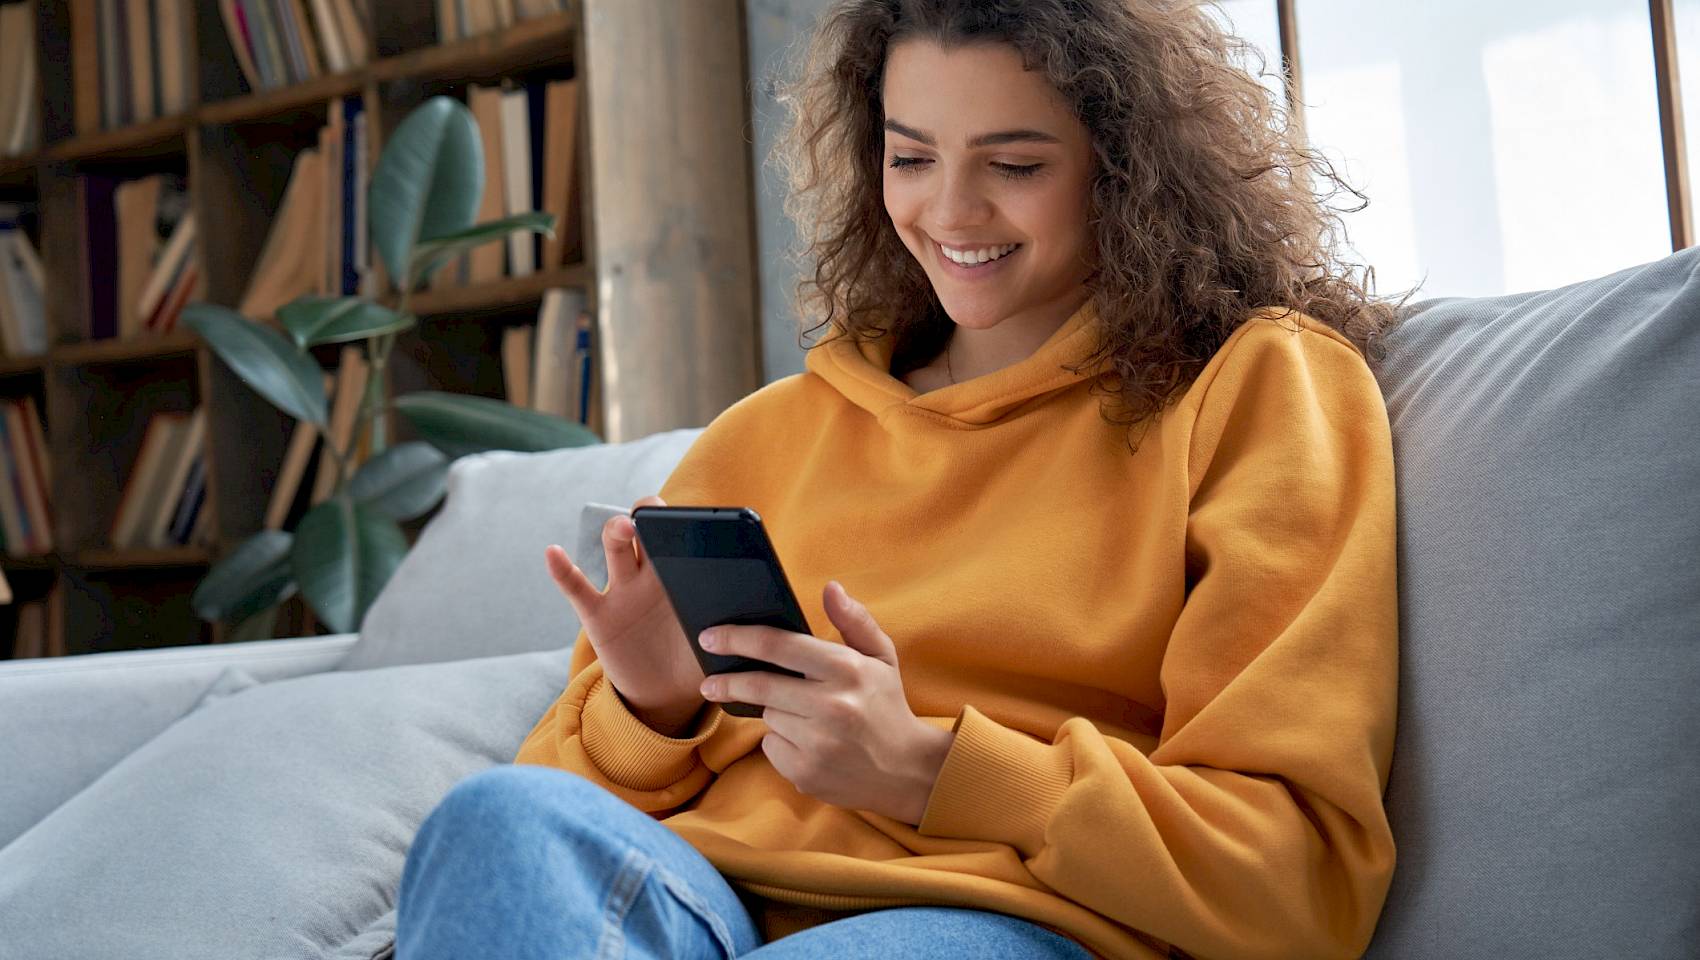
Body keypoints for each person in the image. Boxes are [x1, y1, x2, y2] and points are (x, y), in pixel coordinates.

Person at [395, 1, 1410, 957]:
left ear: (1125, 168)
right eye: (910, 157)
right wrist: (652, 708)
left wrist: (930, 769)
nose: (950, 210)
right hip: (699, 897)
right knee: (496, 819)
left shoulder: (1255, 386)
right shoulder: (768, 433)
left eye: (1012, 163)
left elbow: (1294, 879)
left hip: (1003, 915)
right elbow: (539, 860)